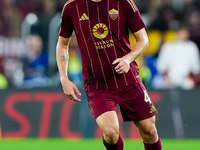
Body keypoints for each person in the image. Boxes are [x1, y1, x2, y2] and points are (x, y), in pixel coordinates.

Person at [56, 0, 162, 149]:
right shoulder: (72, 7)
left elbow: (143, 39)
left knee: (149, 131)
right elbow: (63, 44)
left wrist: (127, 59)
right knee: (111, 134)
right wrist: (63, 77)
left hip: (127, 78)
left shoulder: (123, 2)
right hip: (97, 84)